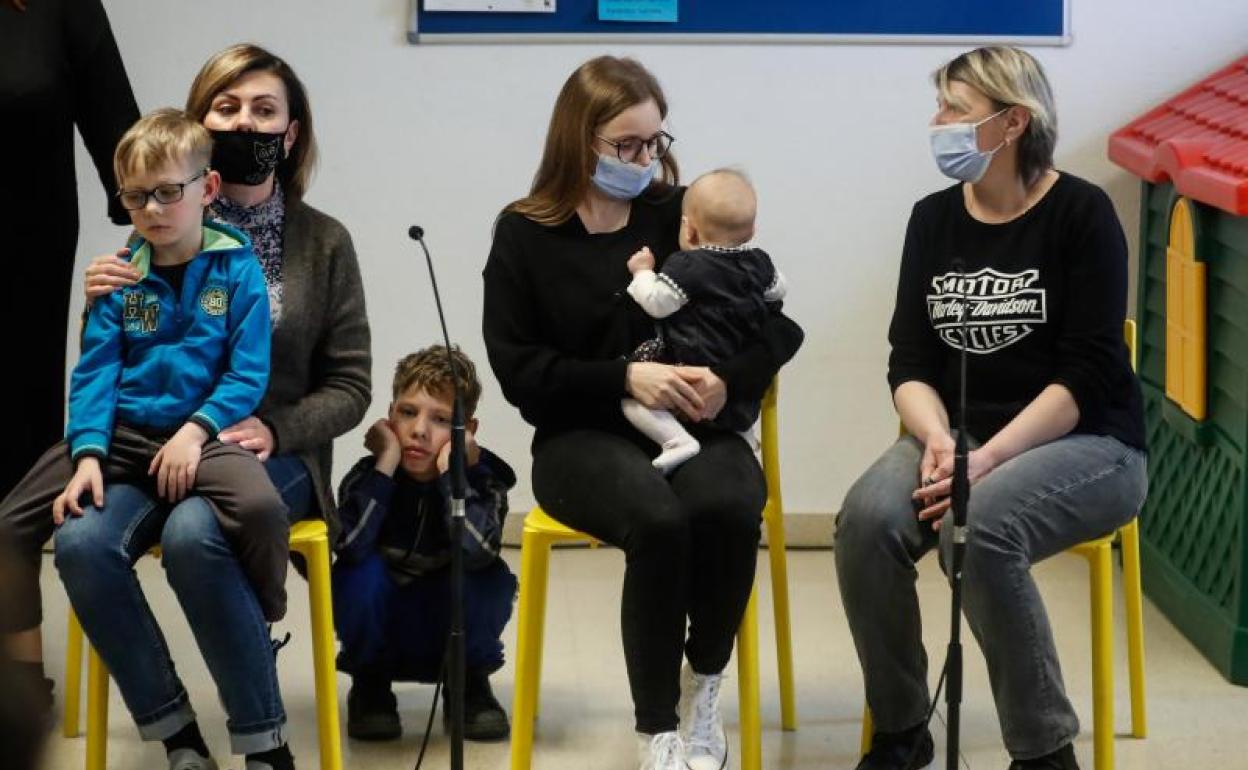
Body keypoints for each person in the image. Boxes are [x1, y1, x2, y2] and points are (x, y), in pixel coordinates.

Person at [0, 43, 372, 770]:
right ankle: (176, 735)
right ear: (201, 127)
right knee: (80, 541)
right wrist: (95, 303)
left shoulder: (325, 243)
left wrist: (275, 427)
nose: (245, 123)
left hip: (265, 451)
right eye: (227, 108)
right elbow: (110, 360)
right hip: (144, 444)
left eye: (264, 110)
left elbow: (351, 385)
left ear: (291, 133)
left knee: (196, 535)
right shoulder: (151, 228)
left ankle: (264, 744)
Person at [483, 56, 803, 770]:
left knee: (729, 506)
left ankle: (703, 687)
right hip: (579, 434)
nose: (643, 160)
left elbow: (778, 327)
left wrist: (725, 379)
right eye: (625, 145)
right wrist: (626, 376)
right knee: (658, 524)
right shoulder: (525, 234)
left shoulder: (684, 214)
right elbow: (521, 373)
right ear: (578, 139)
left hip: (695, 421)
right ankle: (656, 729)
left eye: (654, 142)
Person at [834, 46, 1147, 770]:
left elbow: (1088, 374)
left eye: (956, 108)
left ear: (1012, 123)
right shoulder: (932, 220)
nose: (937, 122)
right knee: (865, 523)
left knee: (979, 530)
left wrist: (988, 459)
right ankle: (902, 730)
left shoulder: (1082, 213)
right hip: (960, 434)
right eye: (940, 105)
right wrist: (939, 439)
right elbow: (909, 362)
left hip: (1090, 443)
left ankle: (1044, 753)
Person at [0, 0, 139, 712]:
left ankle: (17, 662)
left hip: (21, 266)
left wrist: (182, 243)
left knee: (13, 454)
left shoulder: (60, 7)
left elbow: (125, 141)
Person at [333, 345, 516, 742]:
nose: (419, 430)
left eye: (441, 419)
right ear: (390, 416)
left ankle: (468, 685)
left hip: (449, 632)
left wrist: (453, 476)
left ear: (468, 431)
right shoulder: (367, 478)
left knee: (489, 578)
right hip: (386, 633)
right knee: (355, 574)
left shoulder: (486, 483)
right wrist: (386, 463)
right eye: (408, 412)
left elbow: (478, 552)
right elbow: (349, 548)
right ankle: (371, 687)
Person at [622, 168, 787, 473]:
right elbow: (778, 291)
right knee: (737, 415)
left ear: (689, 231)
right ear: (752, 230)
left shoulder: (687, 266)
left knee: (630, 402)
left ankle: (676, 441)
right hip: (738, 390)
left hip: (690, 377)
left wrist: (642, 272)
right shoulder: (761, 262)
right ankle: (743, 436)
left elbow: (657, 304)